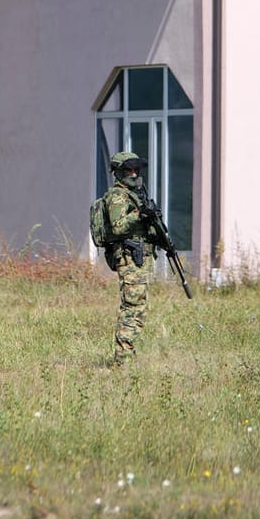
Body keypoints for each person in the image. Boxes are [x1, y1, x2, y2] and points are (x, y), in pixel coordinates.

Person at [99, 151, 161, 365]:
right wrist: (139, 214)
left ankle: (128, 354)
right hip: (129, 256)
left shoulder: (136, 194)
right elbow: (117, 228)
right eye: (128, 170)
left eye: (136, 169)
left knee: (139, 308)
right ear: (118, 172)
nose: (134, 174)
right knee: (132, 307)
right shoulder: (117, 196)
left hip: (140, 258)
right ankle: (122, 359)